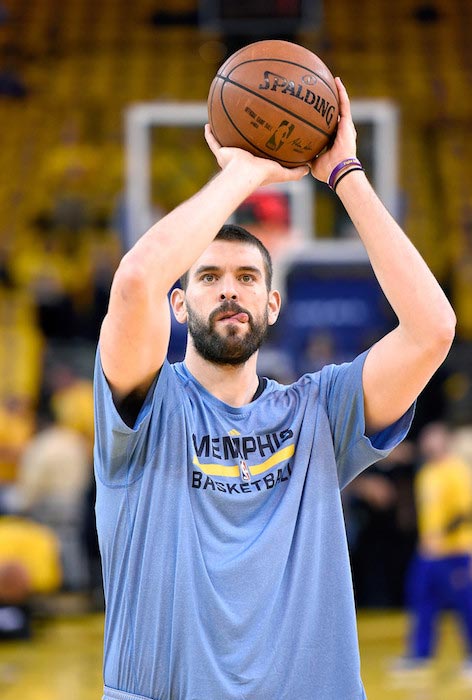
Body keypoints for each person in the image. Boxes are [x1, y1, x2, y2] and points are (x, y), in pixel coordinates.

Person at [94, 78, 456, 700]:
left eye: (245, 277)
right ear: (179, 305)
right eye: (208, 277)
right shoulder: (146, 407)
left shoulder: (319, 412)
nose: (229, 289)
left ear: (273, 303)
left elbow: (433, 329)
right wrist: (242, 173)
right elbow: (134, 284)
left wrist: (344, 172)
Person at [393, 422, 472, 679]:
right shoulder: (426, 472)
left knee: (465, 604)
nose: (428, 441)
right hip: (428, 552)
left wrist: (442, 536)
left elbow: (464, 512)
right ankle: (421, 655)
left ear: (445, 440)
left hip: (455, 551)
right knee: (422, 600)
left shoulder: (456, 470)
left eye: (434, 436)